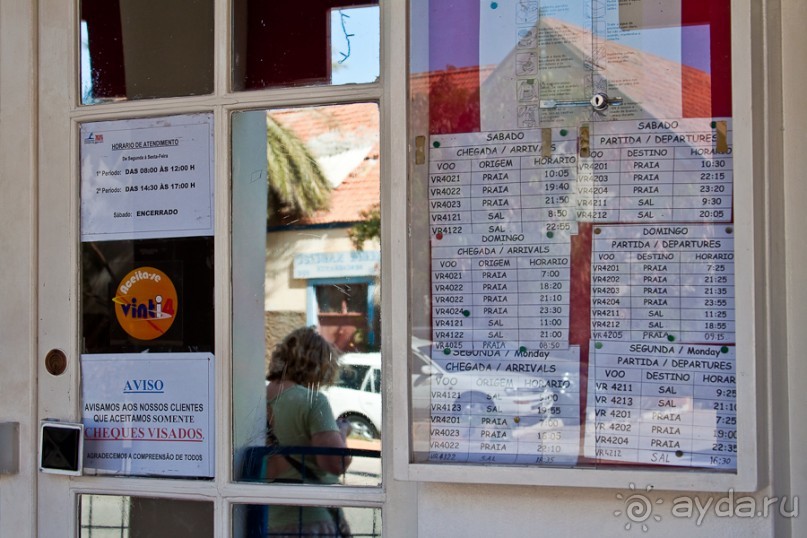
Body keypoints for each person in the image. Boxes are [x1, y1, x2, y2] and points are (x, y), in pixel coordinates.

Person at [264, 326, 352, 536]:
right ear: (318, 366)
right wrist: (341, 432)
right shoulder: (312, 401)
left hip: (267, 519)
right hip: (311, 519)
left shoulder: (256, 397)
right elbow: (334, 463)